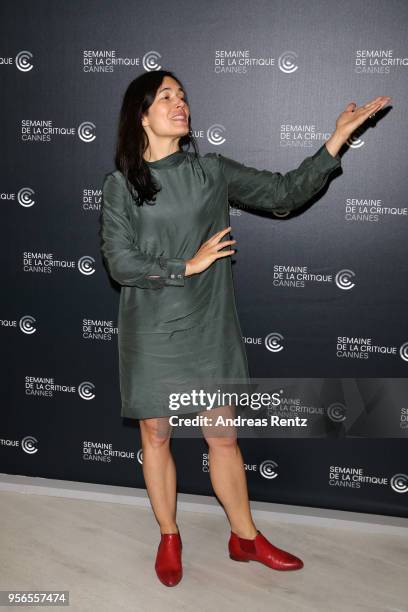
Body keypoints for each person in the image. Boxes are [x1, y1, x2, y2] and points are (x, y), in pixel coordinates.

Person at [100, 70, 391, 587]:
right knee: (156, 434)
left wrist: (336, 139)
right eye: (166, 96)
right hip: (151, 329)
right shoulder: (121, 186)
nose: (180, 103)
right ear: (141, 115)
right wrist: (184, 266)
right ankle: (169, 535)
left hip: (208, 325)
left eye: (184, 96)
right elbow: (120, 263)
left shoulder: (211, 170)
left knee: (224, 436)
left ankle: (245, 537)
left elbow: (284, 192)